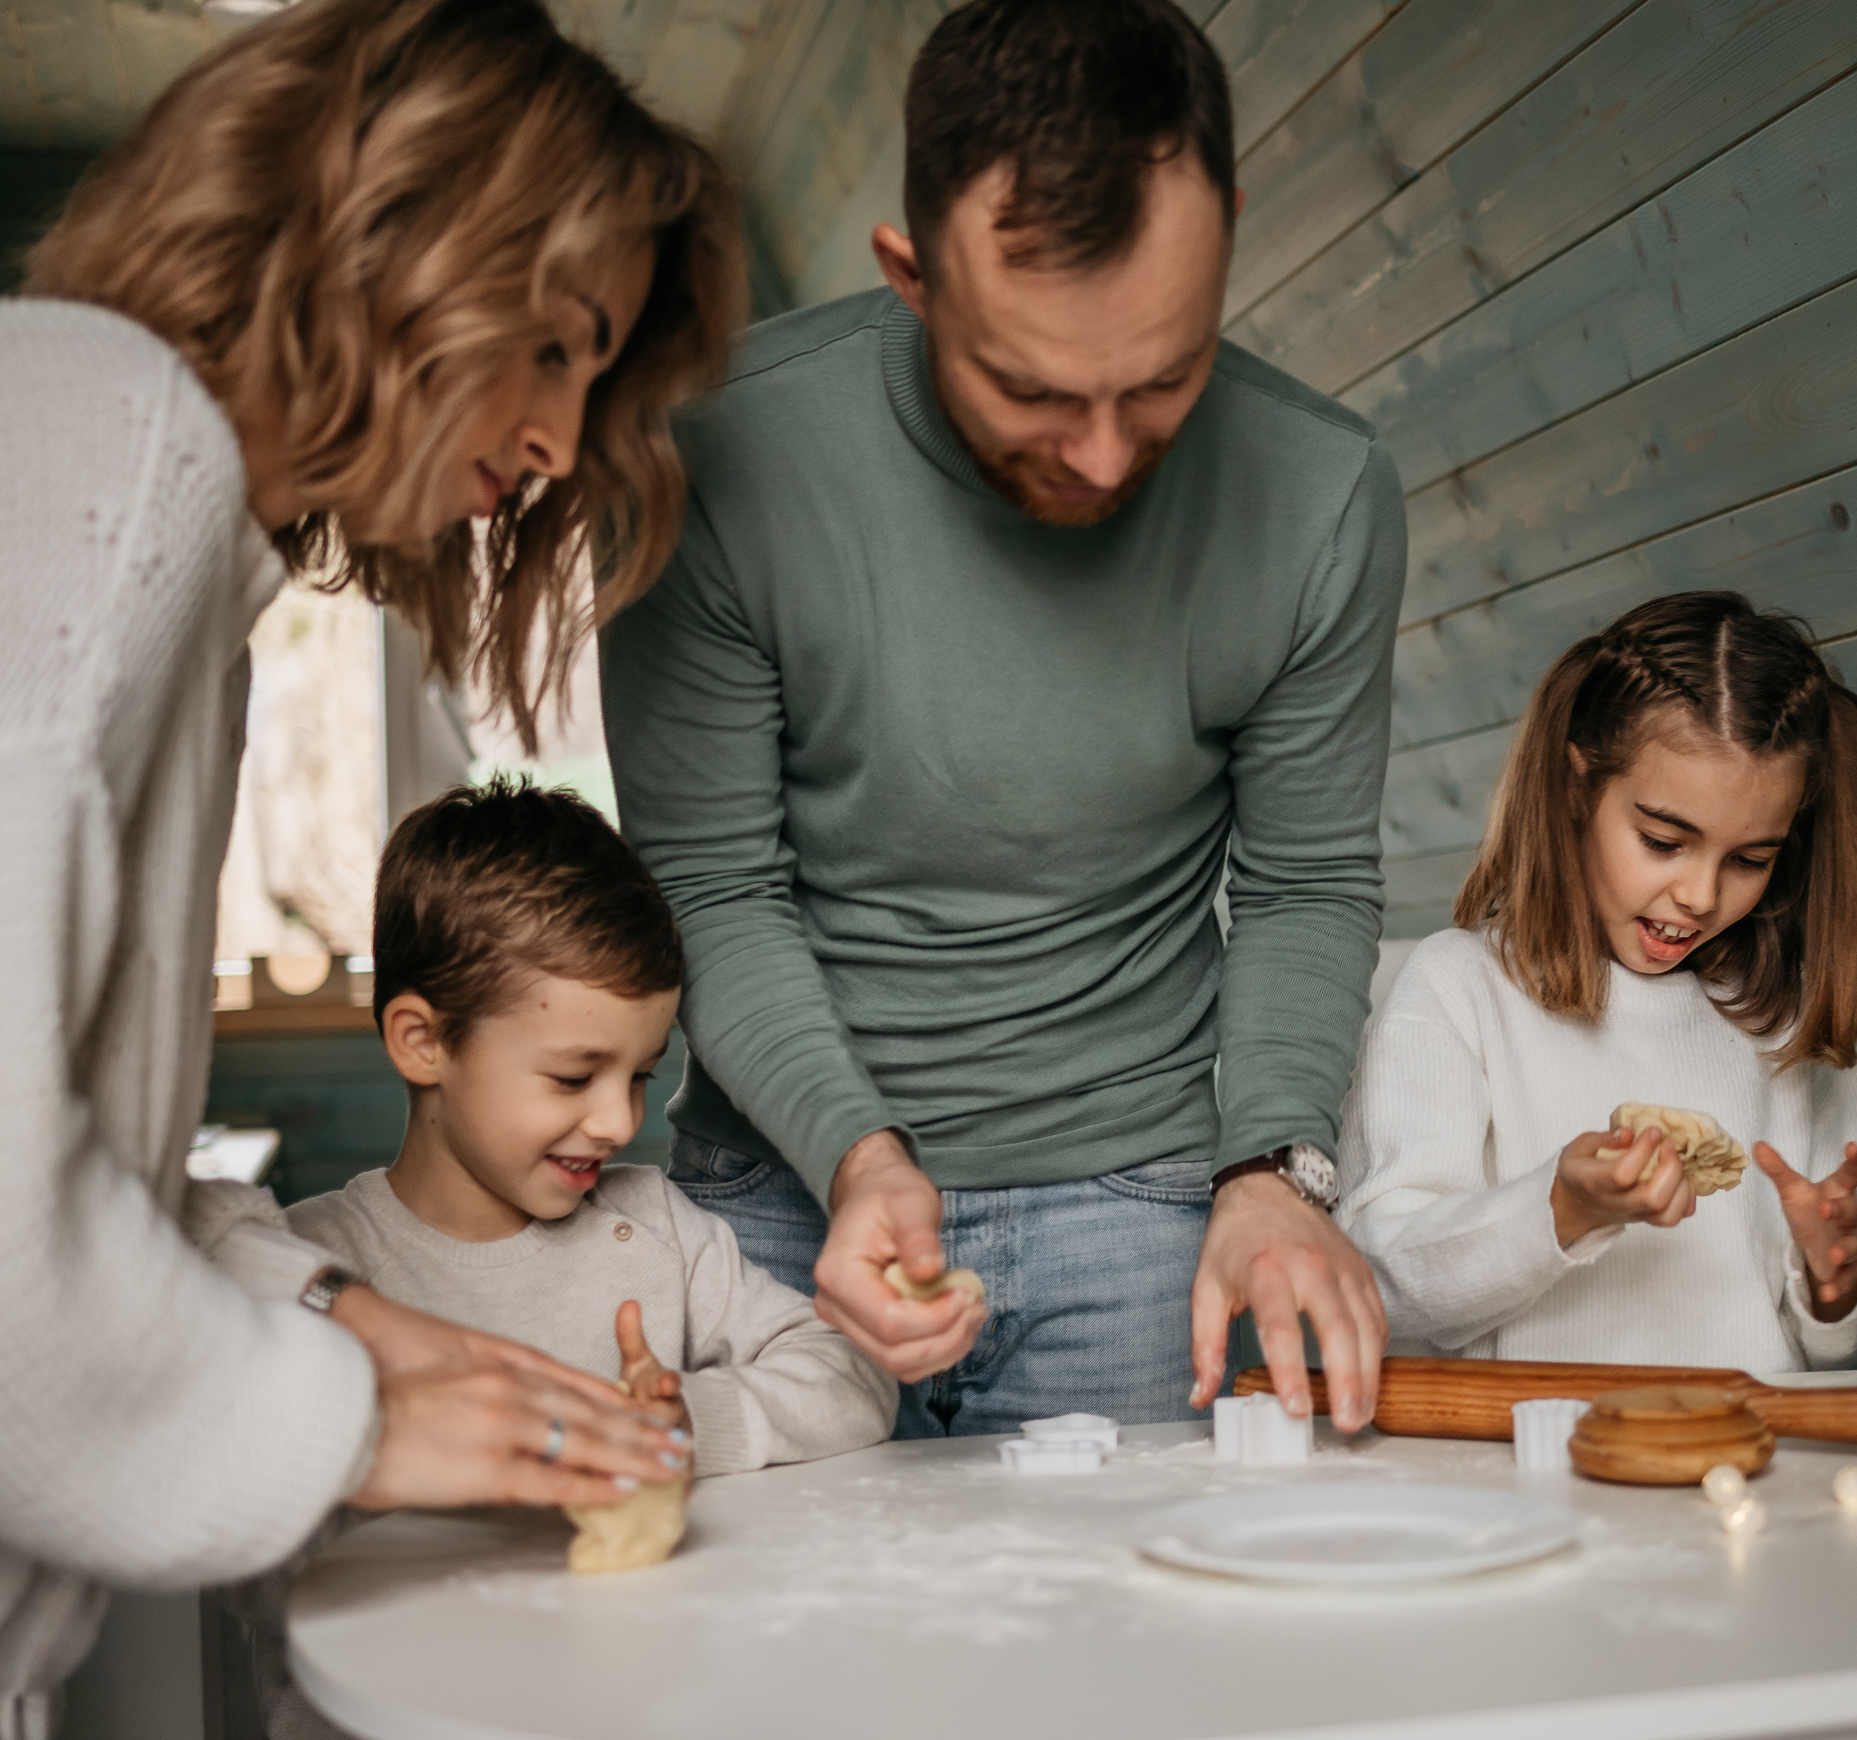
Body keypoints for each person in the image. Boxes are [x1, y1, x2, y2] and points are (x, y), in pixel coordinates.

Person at [0, 2, 739, 1737]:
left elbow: (34, 1153)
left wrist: (344, 1319)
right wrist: (362, 1423)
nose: (558, 439)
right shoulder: (88, 453)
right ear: (399, 228)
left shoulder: (129, 490)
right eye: (553, 343)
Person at [598, 0, 1399, 1439]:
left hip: (1146, 1201)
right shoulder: (712, 452)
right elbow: (710, 886)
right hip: (787, 1191)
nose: (1104, 457)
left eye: (1163, 381)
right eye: (1031, 388)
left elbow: (1306, 883)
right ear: (911, 276)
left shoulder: (1323, 493)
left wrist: (1275, 1167)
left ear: (1221, 239)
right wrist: (854, 1151)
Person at [239, 781, 895, 1740]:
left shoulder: (653, 1227)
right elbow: (257, 1568)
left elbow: (853, 1377)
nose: (620, 1121)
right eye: (571, 1075)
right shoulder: (314, 1268)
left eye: (638, 1074)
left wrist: (681, 1423)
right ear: (423, 1042)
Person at [1335, 592, 1857, 1370]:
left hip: (1742, 1465)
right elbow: (1378, 1278)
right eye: (1663, 840)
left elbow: (1853, 1342)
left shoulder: (1793, 1034)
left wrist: (1836, 1282)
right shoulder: (1458, 990)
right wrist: (1561, 1208)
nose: (1701, 895)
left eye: (1749, 859)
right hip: (1525, 1469)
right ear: (1578, 786)